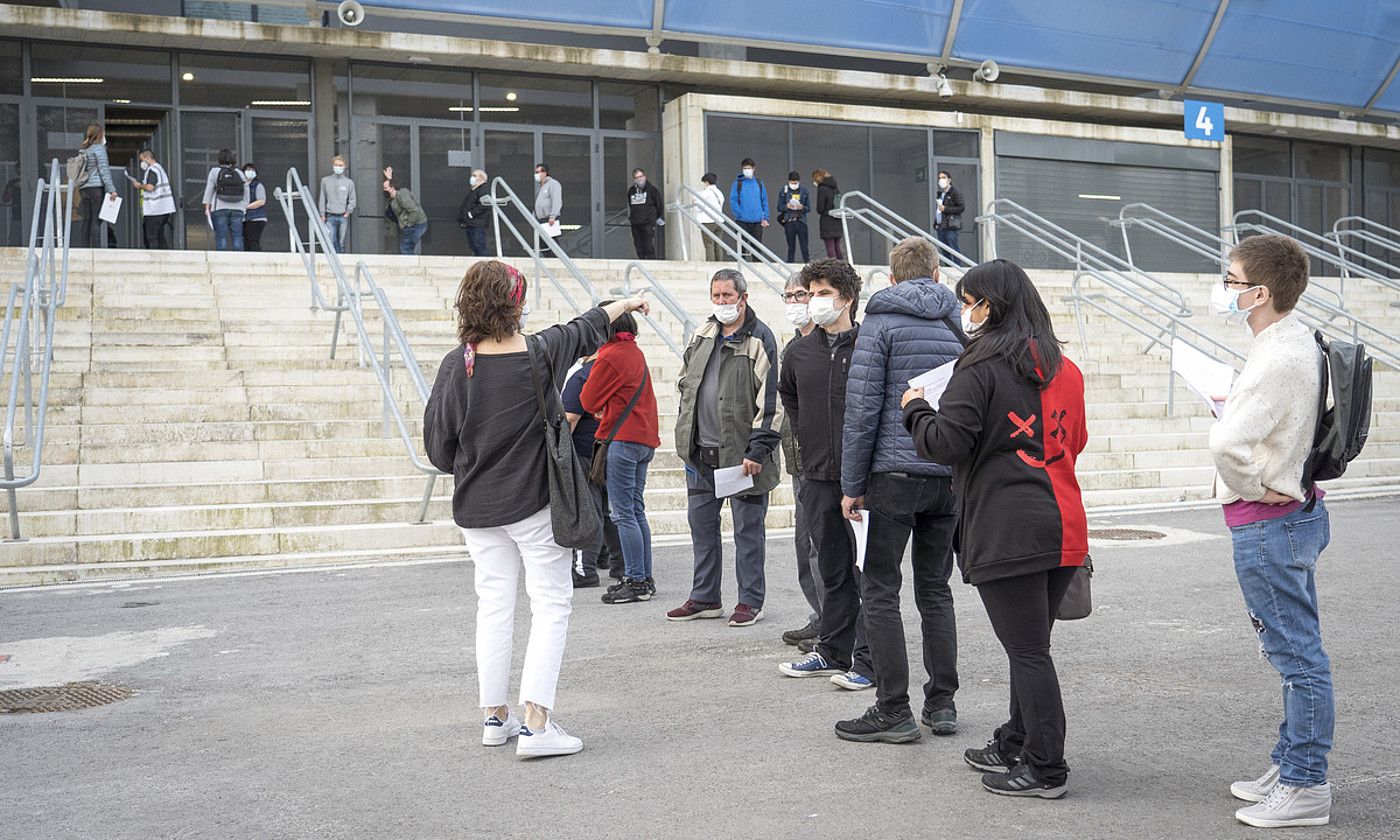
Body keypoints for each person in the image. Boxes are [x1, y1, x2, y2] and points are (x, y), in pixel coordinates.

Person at [424, 260, 649, 758]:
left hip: (478, 510)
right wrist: (627, 304)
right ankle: (537, 723)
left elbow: (438, 450)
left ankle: (494, 718)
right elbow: (588, 325)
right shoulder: (540, 353)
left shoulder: (455, 364)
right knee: (550, 605)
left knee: (494, 607)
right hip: (534, 505)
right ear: (517, 304)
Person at [901, 258, 1087, 799]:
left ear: (992, 306)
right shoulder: (1064, 367)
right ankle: (1016, 740)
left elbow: (944, 444)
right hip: (1062, 518)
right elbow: (1076, 441)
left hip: (1009, 524)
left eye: (970, 300)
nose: (966, 310)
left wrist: (914, 409)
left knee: (1028, 650)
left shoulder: (980, 365)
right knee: (1029, 644)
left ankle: (1046, 768)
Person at [1208, 235, 1336, 829]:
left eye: (1231, 279)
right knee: (1293, 649)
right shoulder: (1297, 340)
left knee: (1295, 656)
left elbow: (1227, 445)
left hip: (1269, 522)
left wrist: (1258, 484)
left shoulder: (1276, 355)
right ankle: (1290, 765)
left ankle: (1306, 783)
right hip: (1292, 516)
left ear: (1260, 293)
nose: (1224, 287)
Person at [835, 235, 964, 744]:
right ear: (936, 275)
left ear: (890, 279)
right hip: (946, 475)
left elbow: (862, 409)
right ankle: (943, 702)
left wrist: (851, 484)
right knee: (935, 590)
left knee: (880, 590)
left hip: (893, 476)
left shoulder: (880, 324)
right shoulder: (958, 323)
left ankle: (893, 708)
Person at [778, 258, 877, 692]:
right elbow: (791, 400)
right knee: (832, 568)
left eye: (822, 293)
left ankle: (870, 659)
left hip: (865, 478)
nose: (814, 301)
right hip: (817, 474)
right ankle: (833, 649)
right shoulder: (798, 351)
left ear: (847, 298)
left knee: (868, 572)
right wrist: (807, 442)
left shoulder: (871, 345)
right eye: (810, 292)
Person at [667, 268, 781, 627]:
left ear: (743, 298)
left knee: (748, 532)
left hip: (741, 457)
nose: (721, 303)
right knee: (702, 528)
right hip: (702, 453)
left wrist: (757, 451)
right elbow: (686, 380)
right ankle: (705, 597)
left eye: (727, 297)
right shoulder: (703, 332)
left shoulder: (760, 339)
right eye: (715, 297)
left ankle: (750, 601)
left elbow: (773, 402)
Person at [582, 305, 661, 605]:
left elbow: (587, 400)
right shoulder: (634, 351)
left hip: (623, 440)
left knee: (622, 512)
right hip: (643, 439)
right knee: (636, 510)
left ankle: (637, 580)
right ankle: (643, 577)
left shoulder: (611, 355)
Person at [777, 273, 821, 648]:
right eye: (788, 296)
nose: (794, 302)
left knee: (823, 547)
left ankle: (836, 625)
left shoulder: (829, 344)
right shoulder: (791, 347)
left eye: (801, 295)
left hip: (824, 463)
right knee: (804, 545)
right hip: (798, 462)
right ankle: (820, 615)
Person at [561, 356, 625, 586]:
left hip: (585, 451)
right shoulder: (617, 370)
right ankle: (619, 564)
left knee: (589, 510)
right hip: (612, 448)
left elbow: (569, 419)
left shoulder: (582, 376)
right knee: (611, 511)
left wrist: (559, 454)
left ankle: (584, 569)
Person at [76, 125, 118, 248]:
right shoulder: (99, 149)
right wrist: (112, 190)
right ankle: (95, 248)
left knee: (87, 219)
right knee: (96, 219)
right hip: (95, 188)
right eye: (103, 134)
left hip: (84, 188)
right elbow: (104, 171)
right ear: (100, 135)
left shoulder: (84, 149)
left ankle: (85, 248)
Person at [124, 149, 175, 250]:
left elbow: (150, 187)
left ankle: (154, 259)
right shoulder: (159, 169)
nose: (141, 163)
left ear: (147, 158)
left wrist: (139, 185)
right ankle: (165, 258)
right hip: (163, 209)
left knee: (151, 237)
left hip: (155, 210)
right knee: (159, 236)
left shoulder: (152, 170)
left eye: (142, 160)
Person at [202, 148, 248, 252]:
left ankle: (221, 258)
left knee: (221, 236)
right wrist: (245, 204)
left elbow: (209, 188)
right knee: (237, 236)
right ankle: (238, 257)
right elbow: (246, 189)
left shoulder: (215, 171)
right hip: (238, 208)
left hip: (220, 207)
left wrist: (206, 205)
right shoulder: (239, 173)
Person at [728, 158, 769, 259]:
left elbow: (764, 201)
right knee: (741, 248)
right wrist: (740, 214)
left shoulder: (759, 183)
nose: (747, 170)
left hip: (757, 221)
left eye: (749, 168)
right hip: (742, 221)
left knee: (757, 249)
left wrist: (765, 217)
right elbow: (733, 200)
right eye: (745, 168)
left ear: (754, 168)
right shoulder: (738, 183)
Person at [382, 167, 428, 255]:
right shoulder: (393, 199)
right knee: (407, 248)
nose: (384, 190)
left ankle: (412, 266)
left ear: (392, 187)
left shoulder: (402, 194)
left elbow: (414, 210)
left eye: (386, 188)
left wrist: (408, 225)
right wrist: (388, 178)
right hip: (412, 224)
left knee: (405, 248)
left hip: (416, 224)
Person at [318, 155, 356, 253]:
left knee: (341, 241)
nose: (338, 167)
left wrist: (348, 212)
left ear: (344, 167)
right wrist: (322, 214)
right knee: (331, 239)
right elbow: (322, 198)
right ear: (332, 166)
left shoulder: (349, 182)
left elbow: (352, 199)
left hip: (342, 216)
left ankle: (340, 260)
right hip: (330, 216)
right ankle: (334, 260)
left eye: (340, 165)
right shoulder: (325, 181)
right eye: (336, 165)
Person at [626, 168, 664, 261]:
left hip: (648, 223)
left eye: (641, 176)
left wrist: (654, 217)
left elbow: (659, 205)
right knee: (638, 246)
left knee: (649, 246)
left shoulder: (652, 190)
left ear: (645, 177)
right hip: (635, 223)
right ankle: (642, 263)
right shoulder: (631, 191)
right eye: (636, 177)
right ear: (634, 179)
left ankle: (651, 265)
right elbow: (631, 205)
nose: (639, 179)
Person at [777, 170, 811, 263]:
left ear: (799, 181)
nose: (794, 184)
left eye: (795, 183)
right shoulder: (784, 190)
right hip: (789, 220)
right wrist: (786, 206)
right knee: (791, 247)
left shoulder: (804, 190)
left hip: (801, 220)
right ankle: (790, 264)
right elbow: (779, 207)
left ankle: (807, 263)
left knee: (804, 246)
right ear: (789, 181)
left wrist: (802, 207)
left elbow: (809, 208)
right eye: (792, 183)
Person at [458, 169, 491, 257]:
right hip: (472, 223)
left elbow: (485, 204)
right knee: (474, 247)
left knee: (479, 246)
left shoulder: (483, 189)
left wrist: (471, 214)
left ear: (482, 178)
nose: (472, 178)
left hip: (477, 224)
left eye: (474, 176)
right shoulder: (475, 190)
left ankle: (487, 267)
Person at [814, 169, 844, 261]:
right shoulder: (835, 188)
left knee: (830, 247)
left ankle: (833, 268)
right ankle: (843, 267)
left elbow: (820, 208)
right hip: (837, 219)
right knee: (837, 247)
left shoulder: (822, 189)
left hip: (827, 220)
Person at [697, 172, 727, 262]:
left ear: (706, 182)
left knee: (709, 244)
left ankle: (710, 263)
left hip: (708, 221)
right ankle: (719, 263)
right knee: (718, 244)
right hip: (719, 221)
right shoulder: (719, 193)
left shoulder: (705, 192)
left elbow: (698, 205)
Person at [934, 171, 965, 256]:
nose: (941, 180)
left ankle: (957, 268)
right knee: (945, 250)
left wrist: (946, 209)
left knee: (954, 248)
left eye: (943, 177)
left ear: (949, 179)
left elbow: (961, 208)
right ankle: (948, 268)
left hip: (950, 225)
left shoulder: (955, 192)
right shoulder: (941, 194)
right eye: (939, 178)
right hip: (941, 225)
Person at [241, 162, 268, 253]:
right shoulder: (242, 185)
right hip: (246, 219)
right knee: (247, 243)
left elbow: (261, 201)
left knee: (253, 242)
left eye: (252, 170)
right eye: (247, 170)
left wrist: (247, 207)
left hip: (257, 218)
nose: (250, 172)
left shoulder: (258, 185)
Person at [534, 163, 562, 243]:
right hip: (541, 220)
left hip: (549, 219)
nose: (536, 174)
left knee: (552, 244)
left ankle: (557, 256)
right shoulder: (541, 188)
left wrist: (553, 216)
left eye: (538, 172)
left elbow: (556, 200)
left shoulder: (553, 184)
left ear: (544, 173)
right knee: (543, 244)